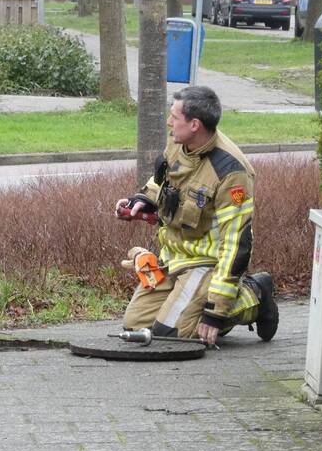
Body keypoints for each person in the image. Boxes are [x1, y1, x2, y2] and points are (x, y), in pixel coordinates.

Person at [115, 86, 279, 346]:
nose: (169, 122)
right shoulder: (179, 142)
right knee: (136, 326)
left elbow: (236, 243)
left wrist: (216, 311)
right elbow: (163, 181)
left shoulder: (232, 172)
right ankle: (193, 308)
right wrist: (143, 200)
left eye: (174, 117)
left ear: (194, 125)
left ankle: (255, 295)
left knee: (171, 334)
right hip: (173, 258)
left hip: (206, 263)